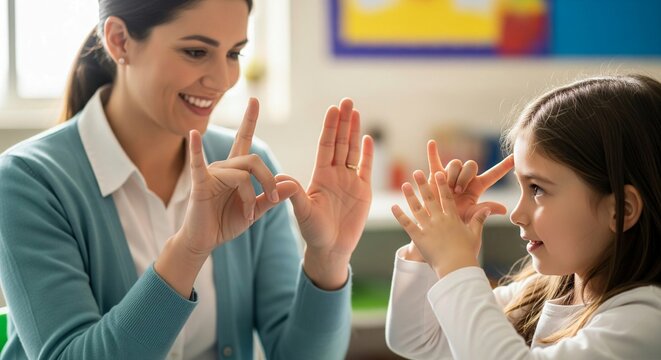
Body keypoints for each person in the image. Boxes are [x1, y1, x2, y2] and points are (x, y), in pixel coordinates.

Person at [0, 0, 374, 359]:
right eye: (196, 52)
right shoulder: (28, 181)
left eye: (234, 53)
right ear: (119, 41)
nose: (223, 79)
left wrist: (328, 259)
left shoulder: (250, 170)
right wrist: (189, 249)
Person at [386, 74, 661, 359]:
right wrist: (432, 242)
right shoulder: (542, 294)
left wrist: (455, 263)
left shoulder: (646, 322)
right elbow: (417, 339)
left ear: (621, 210)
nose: (516, 214)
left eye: (537, 189)